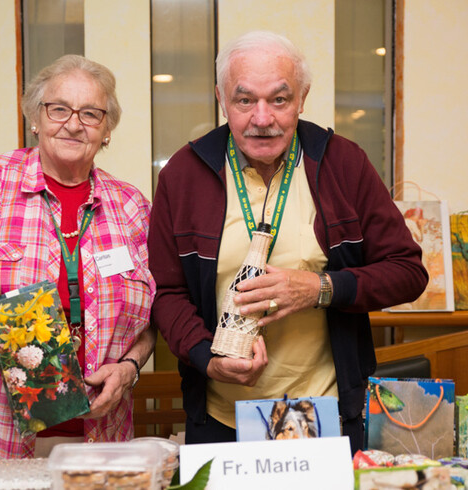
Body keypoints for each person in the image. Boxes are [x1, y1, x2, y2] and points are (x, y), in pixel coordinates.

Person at [148, 31, 428, 454]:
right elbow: (167, 292)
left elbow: (408, 271)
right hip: (222, 416)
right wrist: (208, 358)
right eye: (244, 101)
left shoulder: (343, 163)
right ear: (221, 98)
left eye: (279, 100)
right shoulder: (183, 175)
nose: (263, 118)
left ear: (303, 98)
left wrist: (320, 288)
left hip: (325, 410)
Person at [0, 55, 156, 469]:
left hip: (99, 437)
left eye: (91, 113)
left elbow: (150, 320)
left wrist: (130, 367)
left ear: (107, 130)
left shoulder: (132, 207)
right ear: (35, 119)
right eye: (58, 109)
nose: (74, 124)